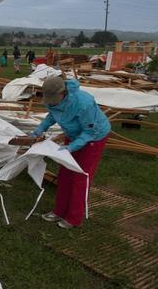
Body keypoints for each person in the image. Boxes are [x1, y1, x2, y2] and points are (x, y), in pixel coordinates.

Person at [31, 77, 110, 229]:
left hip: (94, 136)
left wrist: (73, 147)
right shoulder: (52, 99)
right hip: (73, 135)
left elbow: (90, 131)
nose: (51, 102)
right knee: (65, 173)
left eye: (54, 99)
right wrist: (40, 129)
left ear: (63, 92)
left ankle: (74, 217)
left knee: (80, 176)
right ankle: (59, 211)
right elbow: (52, 115)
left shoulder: (83, 103)